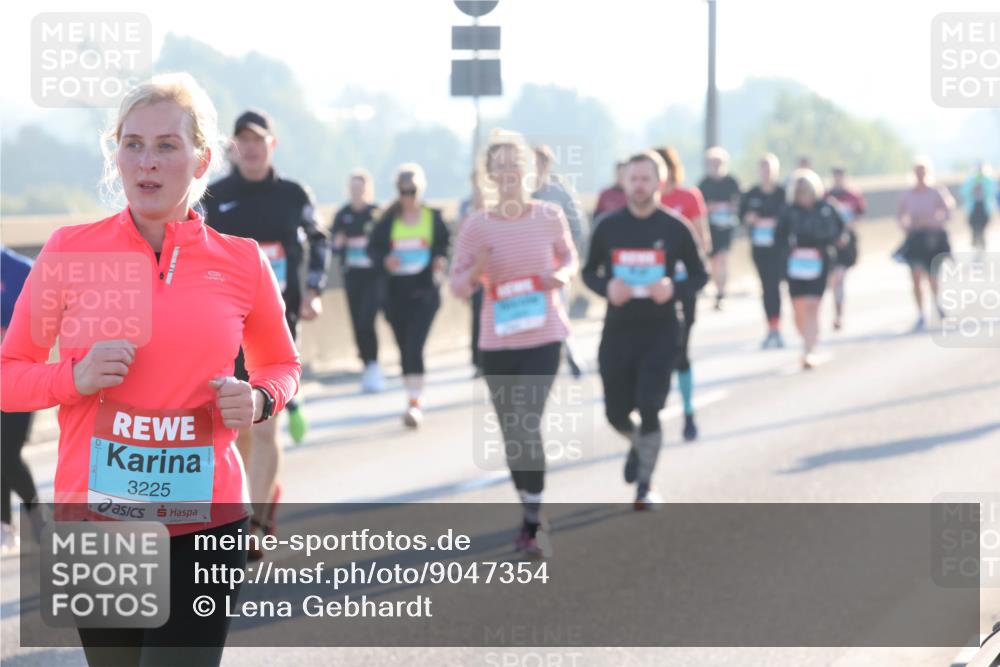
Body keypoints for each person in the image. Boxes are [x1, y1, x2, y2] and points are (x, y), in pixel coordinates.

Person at [0, 73, 300, 667]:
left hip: (206, 524)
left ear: (202, 159)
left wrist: (259, 400)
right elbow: (10, 376)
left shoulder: (241, 262)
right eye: (132, 144)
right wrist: (73, 378)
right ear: (116, 154)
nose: (147, 161)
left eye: (167, 145)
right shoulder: (69, 251)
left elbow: (282, 365)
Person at [202, 108, 328, 557]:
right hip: (225, 326)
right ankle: (260, 498)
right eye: (242, 140)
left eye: (258, 139)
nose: (250, 147)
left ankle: (251, 525)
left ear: (271, 145)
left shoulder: (294, 194)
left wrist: (312, 289)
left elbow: (319, 241)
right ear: (233, 148)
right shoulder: (215, 196)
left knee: (267, 425)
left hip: (277, 325)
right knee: (241, 428)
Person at [451, 130, 578, 556]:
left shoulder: (548, 216)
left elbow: (569, 256)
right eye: (499, 167)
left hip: (544, 337)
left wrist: (561, 276)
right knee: (511, 433)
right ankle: (527, 502)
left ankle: (532, 519)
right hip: (498, 342)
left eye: (514, 165)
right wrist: (477, 270)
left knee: (526, 421)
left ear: (526, 170)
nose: (507, 174)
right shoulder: (477, 224)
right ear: (489, 174)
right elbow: (456, 286)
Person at [583, 150, 707, 509]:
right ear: (624, 182)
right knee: (615, 412)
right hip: (618, 331)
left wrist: (674, 288)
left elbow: (701, 274)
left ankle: (645, 486)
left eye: (646, 179)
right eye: (633, 179)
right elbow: (589, 271)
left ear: (660, 183)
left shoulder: (674, 227)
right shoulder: (608, 226)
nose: (639, 186)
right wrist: (606, 288)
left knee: (650, 407)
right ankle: (637, 442)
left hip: (661, 330)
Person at [368, 163, 450, 428]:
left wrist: (440, 259)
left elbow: (445, 245)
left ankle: (415, 403)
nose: (408, 196)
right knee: (404, 349)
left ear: (420, 190)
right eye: (403, 191)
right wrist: (385, 260)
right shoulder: (388, 219)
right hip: (395, 295)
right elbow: (373, 250)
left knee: (415, 345)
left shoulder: (432, 218)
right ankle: (411, 395)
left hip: (424, 292)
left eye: (412, 190)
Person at [656, 146, 710, 441]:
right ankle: (652, 416)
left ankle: (688, 411)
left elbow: (703, 242)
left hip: (682, 285)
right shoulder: (644, 205)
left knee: (680, 350)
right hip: (650, 290)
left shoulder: (688, 197)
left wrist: (685, 257)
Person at [775, 169, 846, 369]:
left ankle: (808, 349)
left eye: (806, 190)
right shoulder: (789, 211)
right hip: (795, 265)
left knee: (813, 307)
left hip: (820, 262)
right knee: (798, 308)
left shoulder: (827, 208)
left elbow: (840, 232)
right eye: (799, 191)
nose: (803, 195)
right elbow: (779, 237)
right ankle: (806, 338)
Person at [532, 144, 585, 378]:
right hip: (528, 267)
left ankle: (571, 354)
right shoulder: (520, 193)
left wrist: (571, 257)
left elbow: (576, 225)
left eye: (541, 163)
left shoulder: (559, 191)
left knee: (558, 308)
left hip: (556, 265)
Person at [331, 169, 385, 392]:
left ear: (367, 189)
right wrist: (339, 242)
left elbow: (386, 242)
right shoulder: (342, 215)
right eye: (353, 188)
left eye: (360, 188)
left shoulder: (376, 214)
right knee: (357, 321)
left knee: (367, 318)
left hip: (374, 276)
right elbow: (333, 246)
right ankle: (366, 362)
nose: (357, 192)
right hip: (353, 276)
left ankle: (373, 364)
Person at [1, 245, 40, 552]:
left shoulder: (22, 271)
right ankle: (5, 526)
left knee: (7, 453)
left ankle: (38, 520)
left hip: (18, 378)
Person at [896, 158, 956, 331]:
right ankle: (921, 313)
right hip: (915, 238)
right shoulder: (908, 194)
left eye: (923, 171)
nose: (920, 175)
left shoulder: (936, 191)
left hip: (933, 237)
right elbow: (900, 214)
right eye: (917, 172)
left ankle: (937, 303)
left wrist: (936, 221)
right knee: (915, 276)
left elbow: (948, 211)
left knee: (932, 277)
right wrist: (906, 225)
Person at [739, 153, 787, 348]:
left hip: (779, 248)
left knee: (775, 286)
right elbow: (741, 216)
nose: (766, 173)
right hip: (759, 248)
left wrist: (777, 223)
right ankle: (772, 328)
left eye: (770, 169)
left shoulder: (783, 194)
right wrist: (749, 219)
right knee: (767, 287)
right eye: (763, 169)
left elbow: (791, 217)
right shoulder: (751, 194)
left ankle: (780, 328)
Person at [697, 146, 741, 309]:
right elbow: (699, 208)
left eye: (718, 162)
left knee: (723, 259)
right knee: (714, 262)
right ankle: (716, 288)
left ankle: (721, 293)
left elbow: (739, 203)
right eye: (712, 163)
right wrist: (710, 208)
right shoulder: (703, 184)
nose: (715, 166)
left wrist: (731, 208)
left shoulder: (731, 182)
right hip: (710, 228)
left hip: (726, 227)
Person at [825, 166, 867, 330]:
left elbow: (860, 215)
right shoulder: (827, 196)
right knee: (832, 280)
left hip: (847, 242)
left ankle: (838, 315)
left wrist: (847, 229)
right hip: (831, 242)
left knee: (840, 277)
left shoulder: (853, 195)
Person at [458, 170, 487, 377]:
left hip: (495, 268)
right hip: (474, 269)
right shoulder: (465, 206)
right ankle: (478, 361)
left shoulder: (497, 205)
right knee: (477, 315)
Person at [959, 160, 997, 254]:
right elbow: (963, 192)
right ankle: (975, 243)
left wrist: (983, 190)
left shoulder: (988, 180)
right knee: (974, 226)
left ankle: (982, 245)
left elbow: (993, 192)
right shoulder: (970, 180)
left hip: (984, 208)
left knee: (982, 227)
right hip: (973, 208)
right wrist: (973, 189)